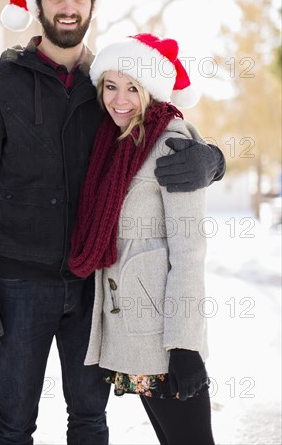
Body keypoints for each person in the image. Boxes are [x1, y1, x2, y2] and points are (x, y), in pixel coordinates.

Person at [0, 0, 223, 445]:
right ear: (38, 3)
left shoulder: (109, 87)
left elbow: (160, 131)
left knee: (91, 421)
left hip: (93, 287)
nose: (68, 7)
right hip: (18, 286)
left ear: (93, 3)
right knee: (12, 424)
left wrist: (213, 161)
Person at [69, 33, 216, 445]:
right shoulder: (116, 141)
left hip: (165, 339)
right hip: (134, 333)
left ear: (150, 90)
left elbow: (189, 252)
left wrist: (185, 346)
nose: (120, 99)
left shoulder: (171, 142)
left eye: (133, 87)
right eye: (111, 86)